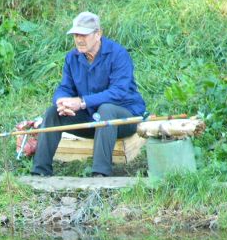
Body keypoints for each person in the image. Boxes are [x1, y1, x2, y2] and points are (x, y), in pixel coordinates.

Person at [31, 11, 146, 178]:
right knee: (52, 113)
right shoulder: (72, 58)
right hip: (93, 120)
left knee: (107, 110)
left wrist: (82, 102)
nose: (79, 39)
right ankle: (40, 172)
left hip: (124, 119)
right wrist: (62, 101)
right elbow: (65, 87)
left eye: (84, 34)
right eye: (76, 34)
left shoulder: (118, 54)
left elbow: (118, 92)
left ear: (98, 34)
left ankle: (100, 174)